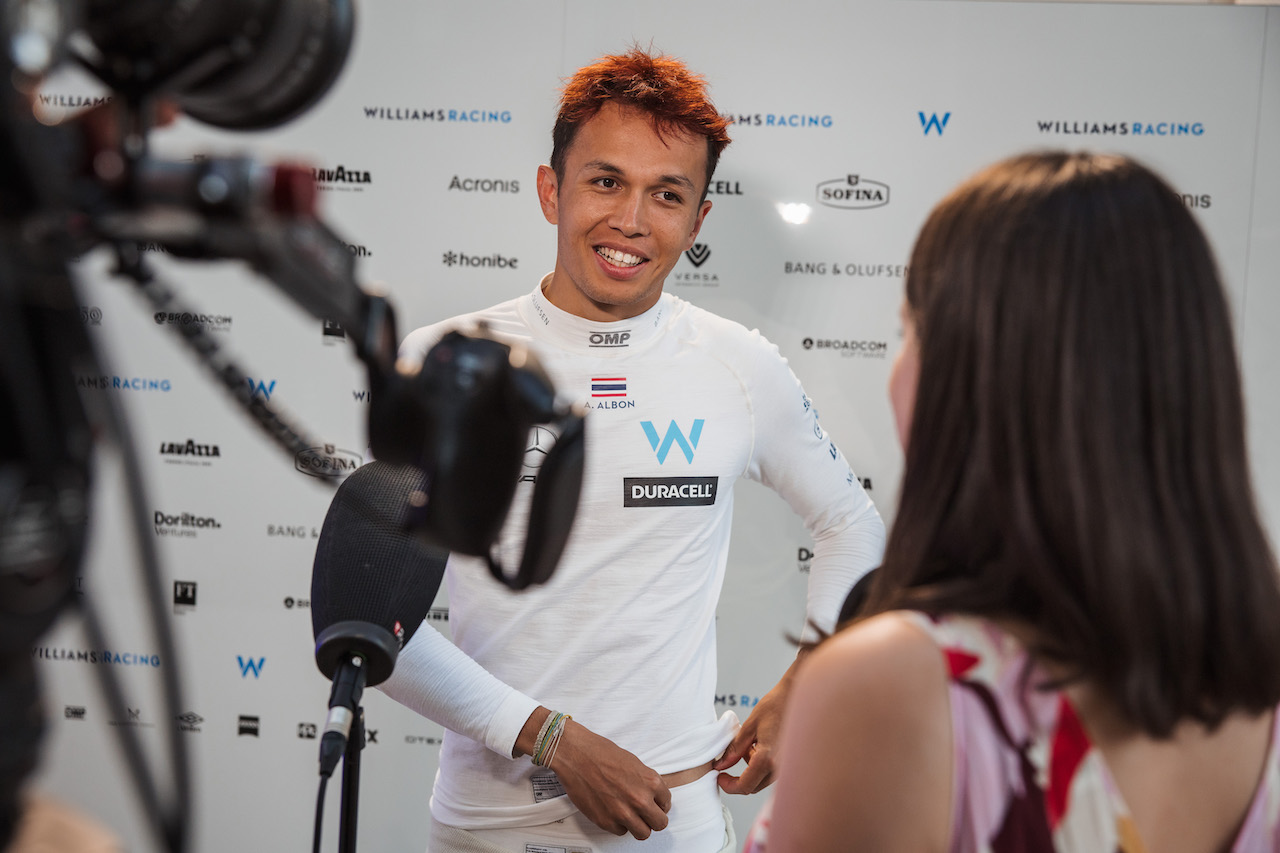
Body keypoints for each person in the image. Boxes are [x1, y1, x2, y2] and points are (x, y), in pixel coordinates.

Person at [380, 47, 885, 853]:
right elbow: (370, 614)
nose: (631, 221)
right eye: (606, 181)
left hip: (669, 822)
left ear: (697, 220)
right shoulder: (452, 362)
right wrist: (551, 737)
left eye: (667, 194)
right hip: (485, 828)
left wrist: (806, 683)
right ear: (553, 190)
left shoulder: (738, 363)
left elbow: (852, 524)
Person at [744, 151, 1280, 852]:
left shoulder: (897, 686)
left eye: (910, 330)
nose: (896, 370)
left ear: (977, 372)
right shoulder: (1253, 682)